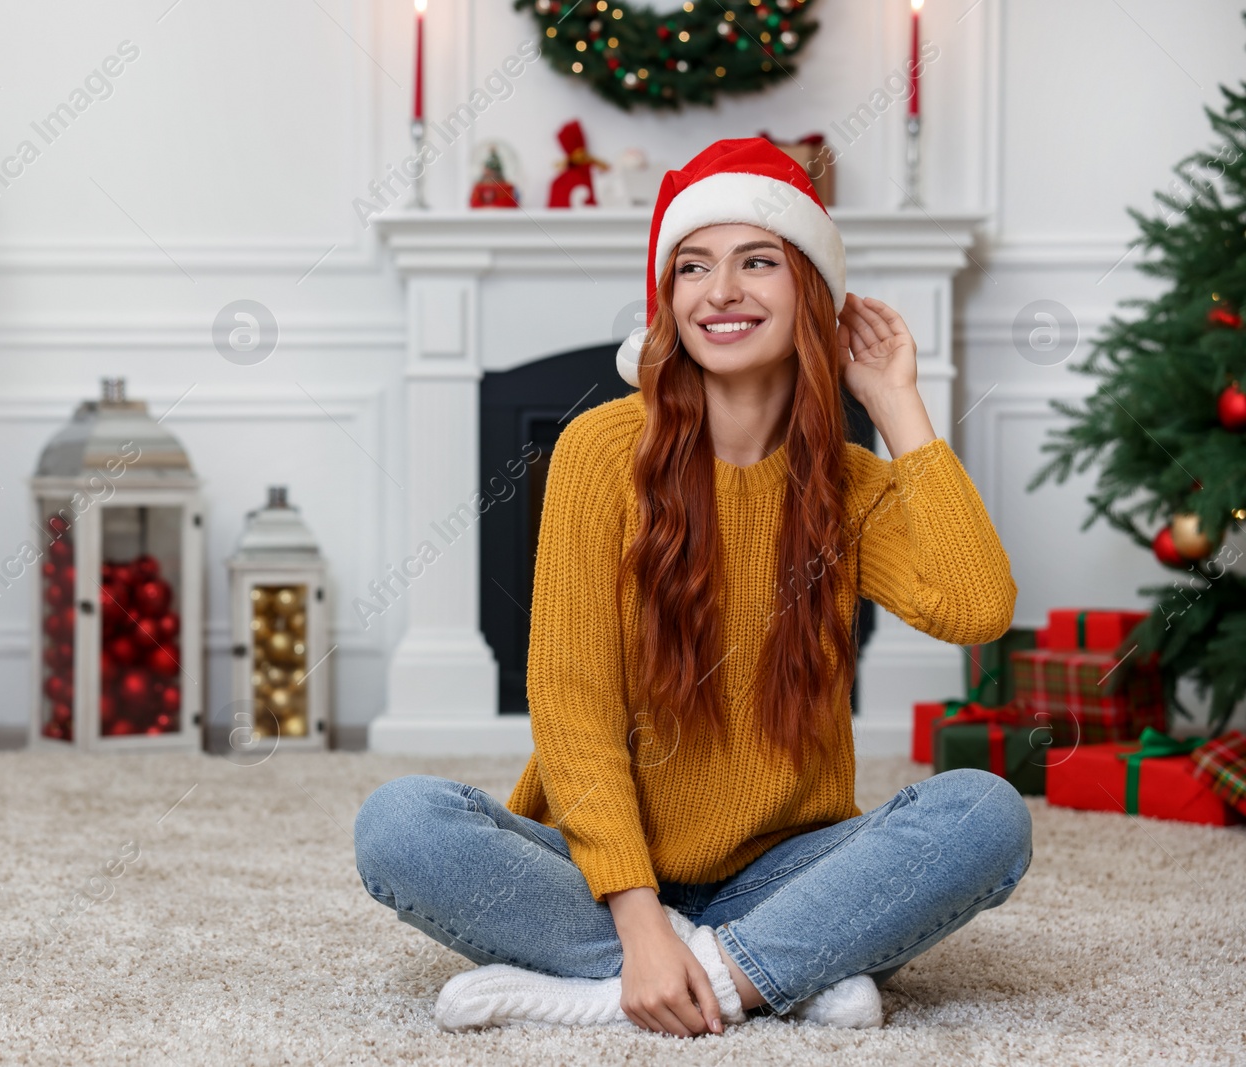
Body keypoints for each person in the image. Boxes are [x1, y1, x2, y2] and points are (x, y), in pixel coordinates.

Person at [352, 138, 1031, 1038]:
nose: (723, 292)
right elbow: (571, 703)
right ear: (668, 300)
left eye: (759, 262)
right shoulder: (600, 451)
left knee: (986, 814)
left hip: (785, 866)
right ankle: (768, 965)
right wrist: (637, 918)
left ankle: (655, 982)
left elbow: (977, 604)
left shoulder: (851, 481)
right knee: (401, 824)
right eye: (694, 267)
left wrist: (897, 403)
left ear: (811, 295)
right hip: (605, 869)